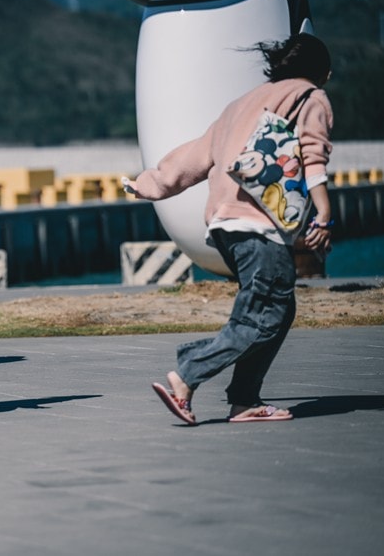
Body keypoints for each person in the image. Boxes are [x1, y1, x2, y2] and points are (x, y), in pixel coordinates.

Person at [124, 33, 334, 425]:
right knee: (262, 316)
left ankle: (244, 400)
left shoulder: (240, 104)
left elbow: (195, 156)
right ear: (323, 72)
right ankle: (186, 376)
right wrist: (323, 214)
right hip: (258, 223)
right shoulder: (310, 96)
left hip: (223, 223)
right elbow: (313, 155)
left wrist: (148, 184)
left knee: (277, 309)